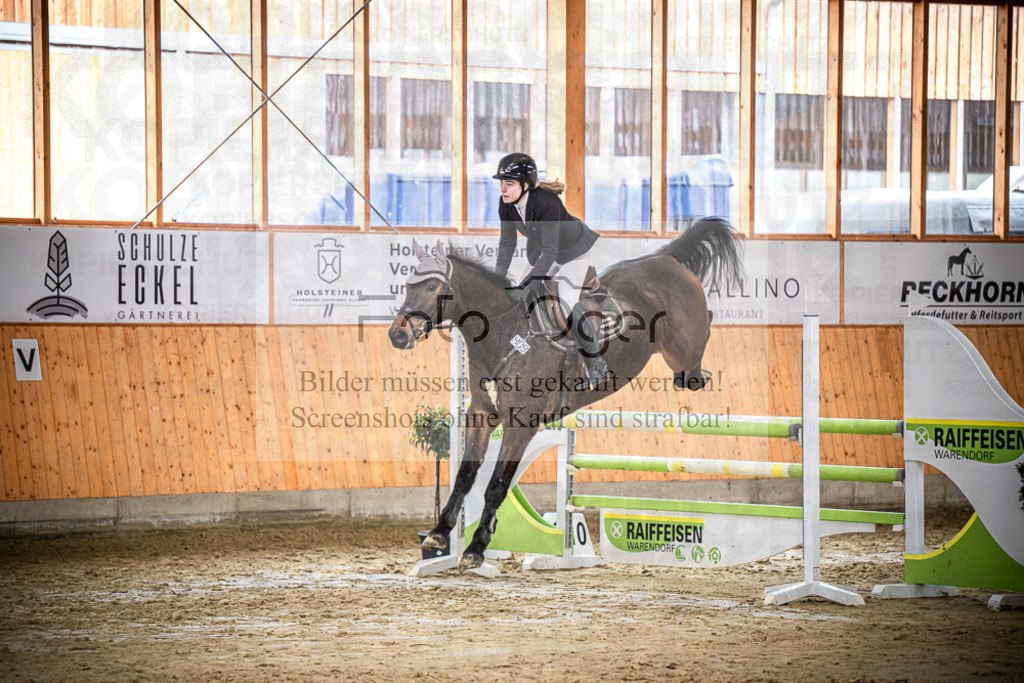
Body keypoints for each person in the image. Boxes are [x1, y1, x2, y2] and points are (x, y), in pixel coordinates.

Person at [492, 152, 610, 386]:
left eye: (509, 184)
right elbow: (507, 244)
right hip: (547, 253)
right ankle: (524, 349)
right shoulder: (505, 204)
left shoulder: (547, 202)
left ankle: (597, 365)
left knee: (565, 304)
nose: (503, 189)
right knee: (518, 299)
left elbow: (550, 254)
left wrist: (526, 286)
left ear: (526, 185)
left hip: (573, 252)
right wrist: (497, 281)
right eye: (502, 184)